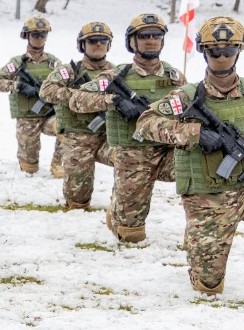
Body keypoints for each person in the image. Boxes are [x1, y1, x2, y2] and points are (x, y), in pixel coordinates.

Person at [135, 16, 244, 310]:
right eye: (213, 51)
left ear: (239, 51)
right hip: (206, 198)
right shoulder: (186, 96)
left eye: (228, 51)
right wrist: (194, 133)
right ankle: (197, 238)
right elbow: (145, 123)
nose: (221, 57)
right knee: (209, 287)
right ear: (204, 53)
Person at [70, 13, 185, 242]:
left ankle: (201, 233)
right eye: (144, 35)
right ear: (132, 42)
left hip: (168, 151)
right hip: (133, 154)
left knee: (197, 170)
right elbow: (76, 100)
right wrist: (113, 101)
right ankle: (119, 204)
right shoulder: (115, 76)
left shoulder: (174, 77)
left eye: (157, 35)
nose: (151, 40)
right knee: (131, 235)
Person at [39, 22, 117, 209]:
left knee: (129, 161)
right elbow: (46, 90)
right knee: (77, 199)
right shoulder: (70, 70)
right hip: (78, 134)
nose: (98, 44)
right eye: (92, 40)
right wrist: (79, 97)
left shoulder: (117, 72)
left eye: (102, 40)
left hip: (109, 134)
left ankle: (122, 204)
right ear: (82, 44)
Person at [0, 15, 64, 176]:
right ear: (27, 36)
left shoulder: (54, 63)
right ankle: (29, 164)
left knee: (65, 127)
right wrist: (19, 86)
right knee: (29, 167)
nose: (39, 39)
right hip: (27, 119)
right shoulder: (17, 63)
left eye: (43, 35)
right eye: (35, 35)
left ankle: (59, 164)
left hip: (48, 114)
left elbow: (66, 84)